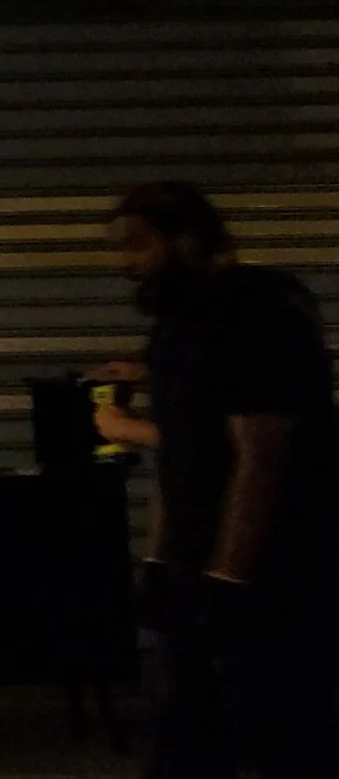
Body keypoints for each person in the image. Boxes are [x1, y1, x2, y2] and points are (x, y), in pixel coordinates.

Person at [91, 181, 336, 778]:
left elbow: (261, 455)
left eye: (138, 245)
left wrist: (230, 581)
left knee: (282, 737)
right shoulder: (175, 326)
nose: (125, 262)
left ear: (187, 240)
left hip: (275, 573)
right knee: (189, 742)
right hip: (198, 574)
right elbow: (181, 456)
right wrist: (160, 561)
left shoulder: (258, 311)